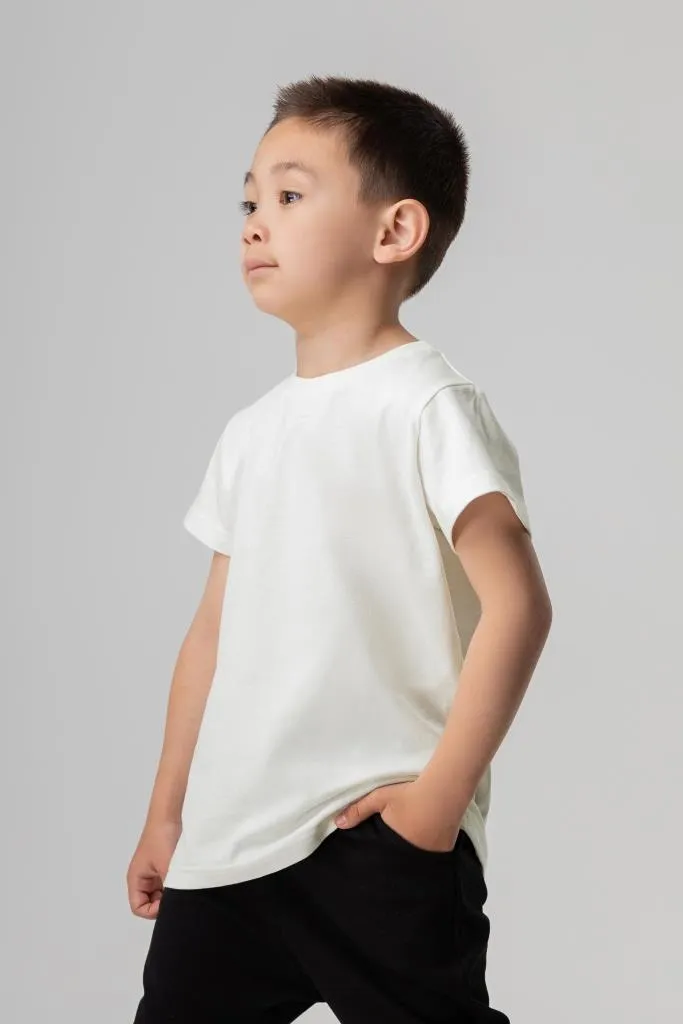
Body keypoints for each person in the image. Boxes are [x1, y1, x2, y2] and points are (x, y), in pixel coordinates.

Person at [127, 74, 553, 1023]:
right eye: (248, 201)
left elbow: (519, 605)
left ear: (394, 231)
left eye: (288, 195)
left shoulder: (428, 404)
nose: (253, 224)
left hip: (373, 841)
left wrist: (434, 806)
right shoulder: (250, 433)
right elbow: (209, 635)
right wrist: (167, 813)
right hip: (228, 851)